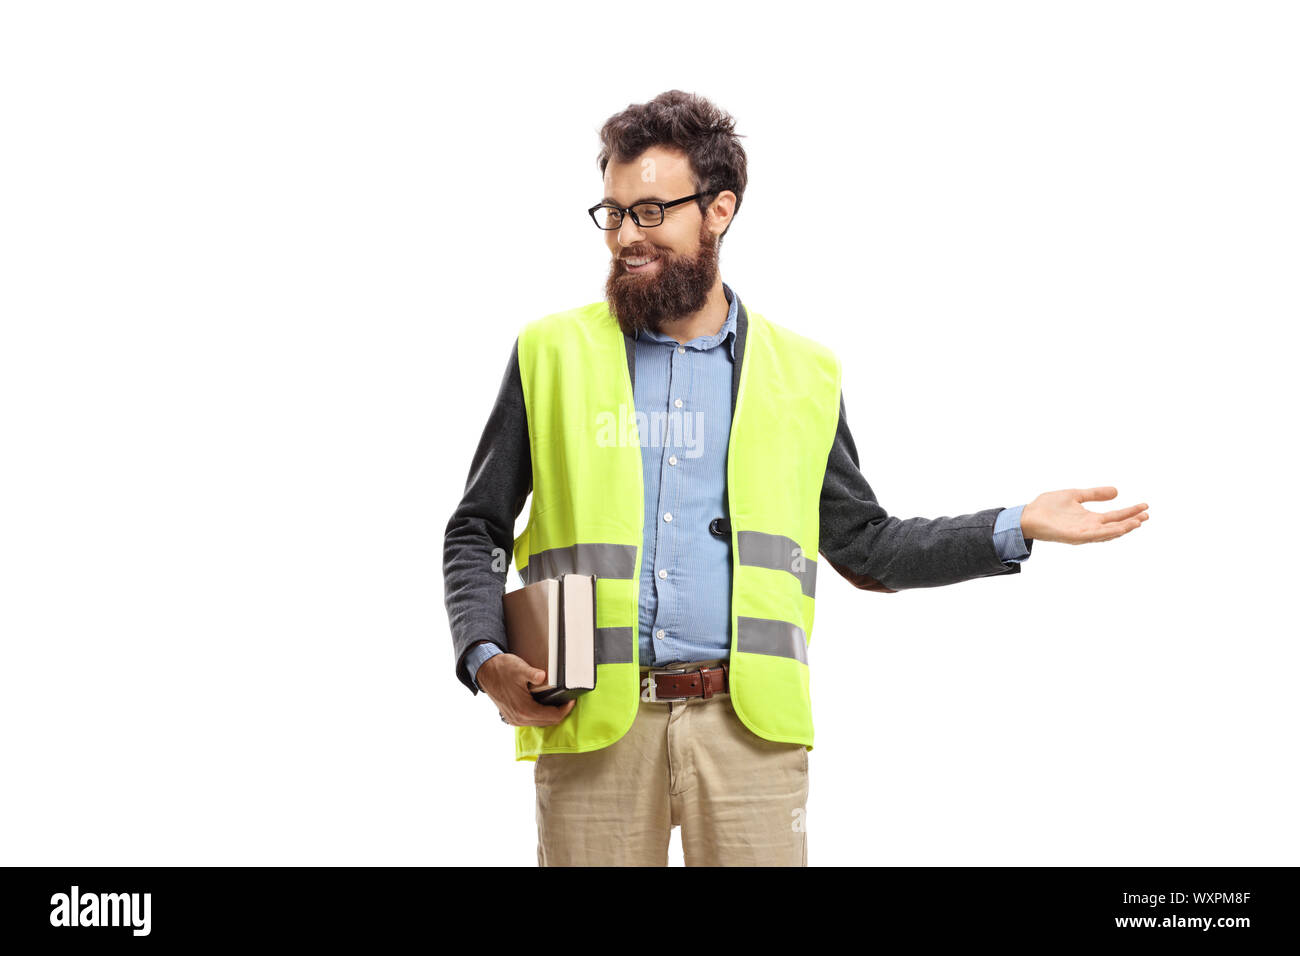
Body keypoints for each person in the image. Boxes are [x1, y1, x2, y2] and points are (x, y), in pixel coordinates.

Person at [442, 90, 1149, 867]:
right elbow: (477, 527)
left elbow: (866, 547)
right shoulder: (549, 352)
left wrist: (1014, 524)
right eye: (611, 214)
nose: (624, 237)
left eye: (650, 213)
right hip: (589, 724)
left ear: (719, 209)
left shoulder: (803, 374)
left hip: (750, 733)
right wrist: (483, 654)